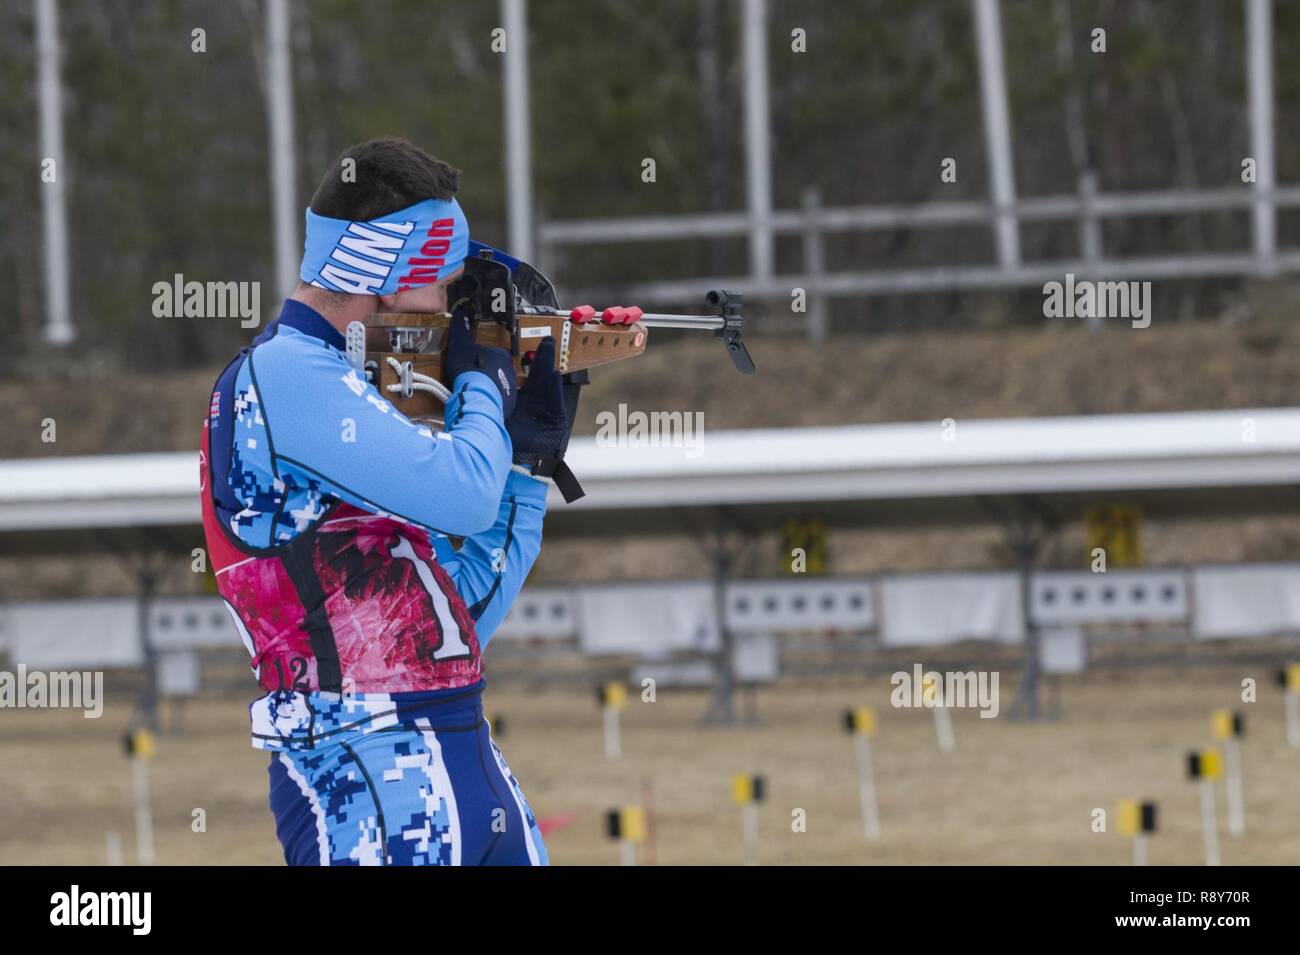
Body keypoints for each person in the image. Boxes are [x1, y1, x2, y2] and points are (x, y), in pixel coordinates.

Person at [199, 138, 569, 865]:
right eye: (444, 287)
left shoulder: (361, 398)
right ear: (392, 270)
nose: (449, 311)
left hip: (465, 757)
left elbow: (451, 623)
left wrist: (525, 467)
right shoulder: (283, 376)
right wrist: (484, 388)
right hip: (368, 786)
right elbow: (462, 494)